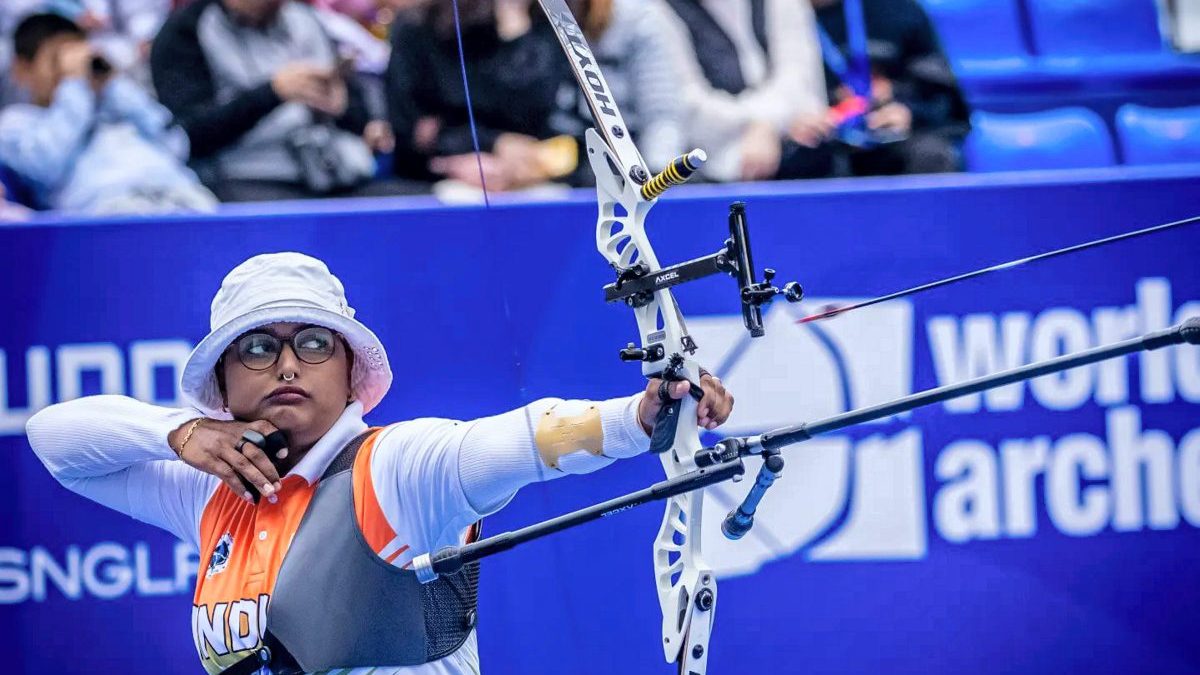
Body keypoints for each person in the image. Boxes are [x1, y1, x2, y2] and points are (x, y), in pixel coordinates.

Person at [25, 252, 735, 673]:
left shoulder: (395, 467)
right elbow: (55, 440)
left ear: (347, 370)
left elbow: (511, 440)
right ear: (225, 384)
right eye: (257, 347)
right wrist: (179, 433)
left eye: (312, 342)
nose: (286, 365)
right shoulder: (210, 491)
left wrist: (637, 417)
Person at [150, 0, 407, 202]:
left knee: (412, 205)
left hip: (332, 171)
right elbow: (189, 136)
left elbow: (354, 110)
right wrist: (273, 93)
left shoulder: (306, 19)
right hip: (245, 178)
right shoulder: (185, 31)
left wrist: (347, 111)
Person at [0, 12, 216, 214]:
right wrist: (74, 87)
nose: (75, 67)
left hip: (180, 195)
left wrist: (114, 86)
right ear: (22, 69)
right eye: (57, 59)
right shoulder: (17, 122)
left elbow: (176, 144)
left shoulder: (115, 106)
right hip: (108, 211)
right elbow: (43, 168)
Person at [386, 0, 572, 192]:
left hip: (532, 173)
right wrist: (493, 144)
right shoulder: (417, 27)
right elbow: (411, 129)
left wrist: (515, 32)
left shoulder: (551, 24)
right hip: (438, 176)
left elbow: (556, 117)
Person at [785, 0, 970, 178]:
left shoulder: (898, 11)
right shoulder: (766, 16)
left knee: (930, 155)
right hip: (810, 141)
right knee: (775, 158)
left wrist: (908, 110)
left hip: (889, 138)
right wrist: (784, 121)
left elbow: (944, 98)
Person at [659, 0, 829, 182]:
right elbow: (686, 102)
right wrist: (760, 125)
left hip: (797, 160)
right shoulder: (659, 9)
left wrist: (766, 125)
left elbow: (801, 80)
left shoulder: (784, 4)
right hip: (707, 173)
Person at [549, 0, 688, 185]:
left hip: (623, 169)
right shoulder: (530, 17)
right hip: (549, 170)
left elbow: (661, 117)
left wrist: (656, 184)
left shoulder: (638, 18)